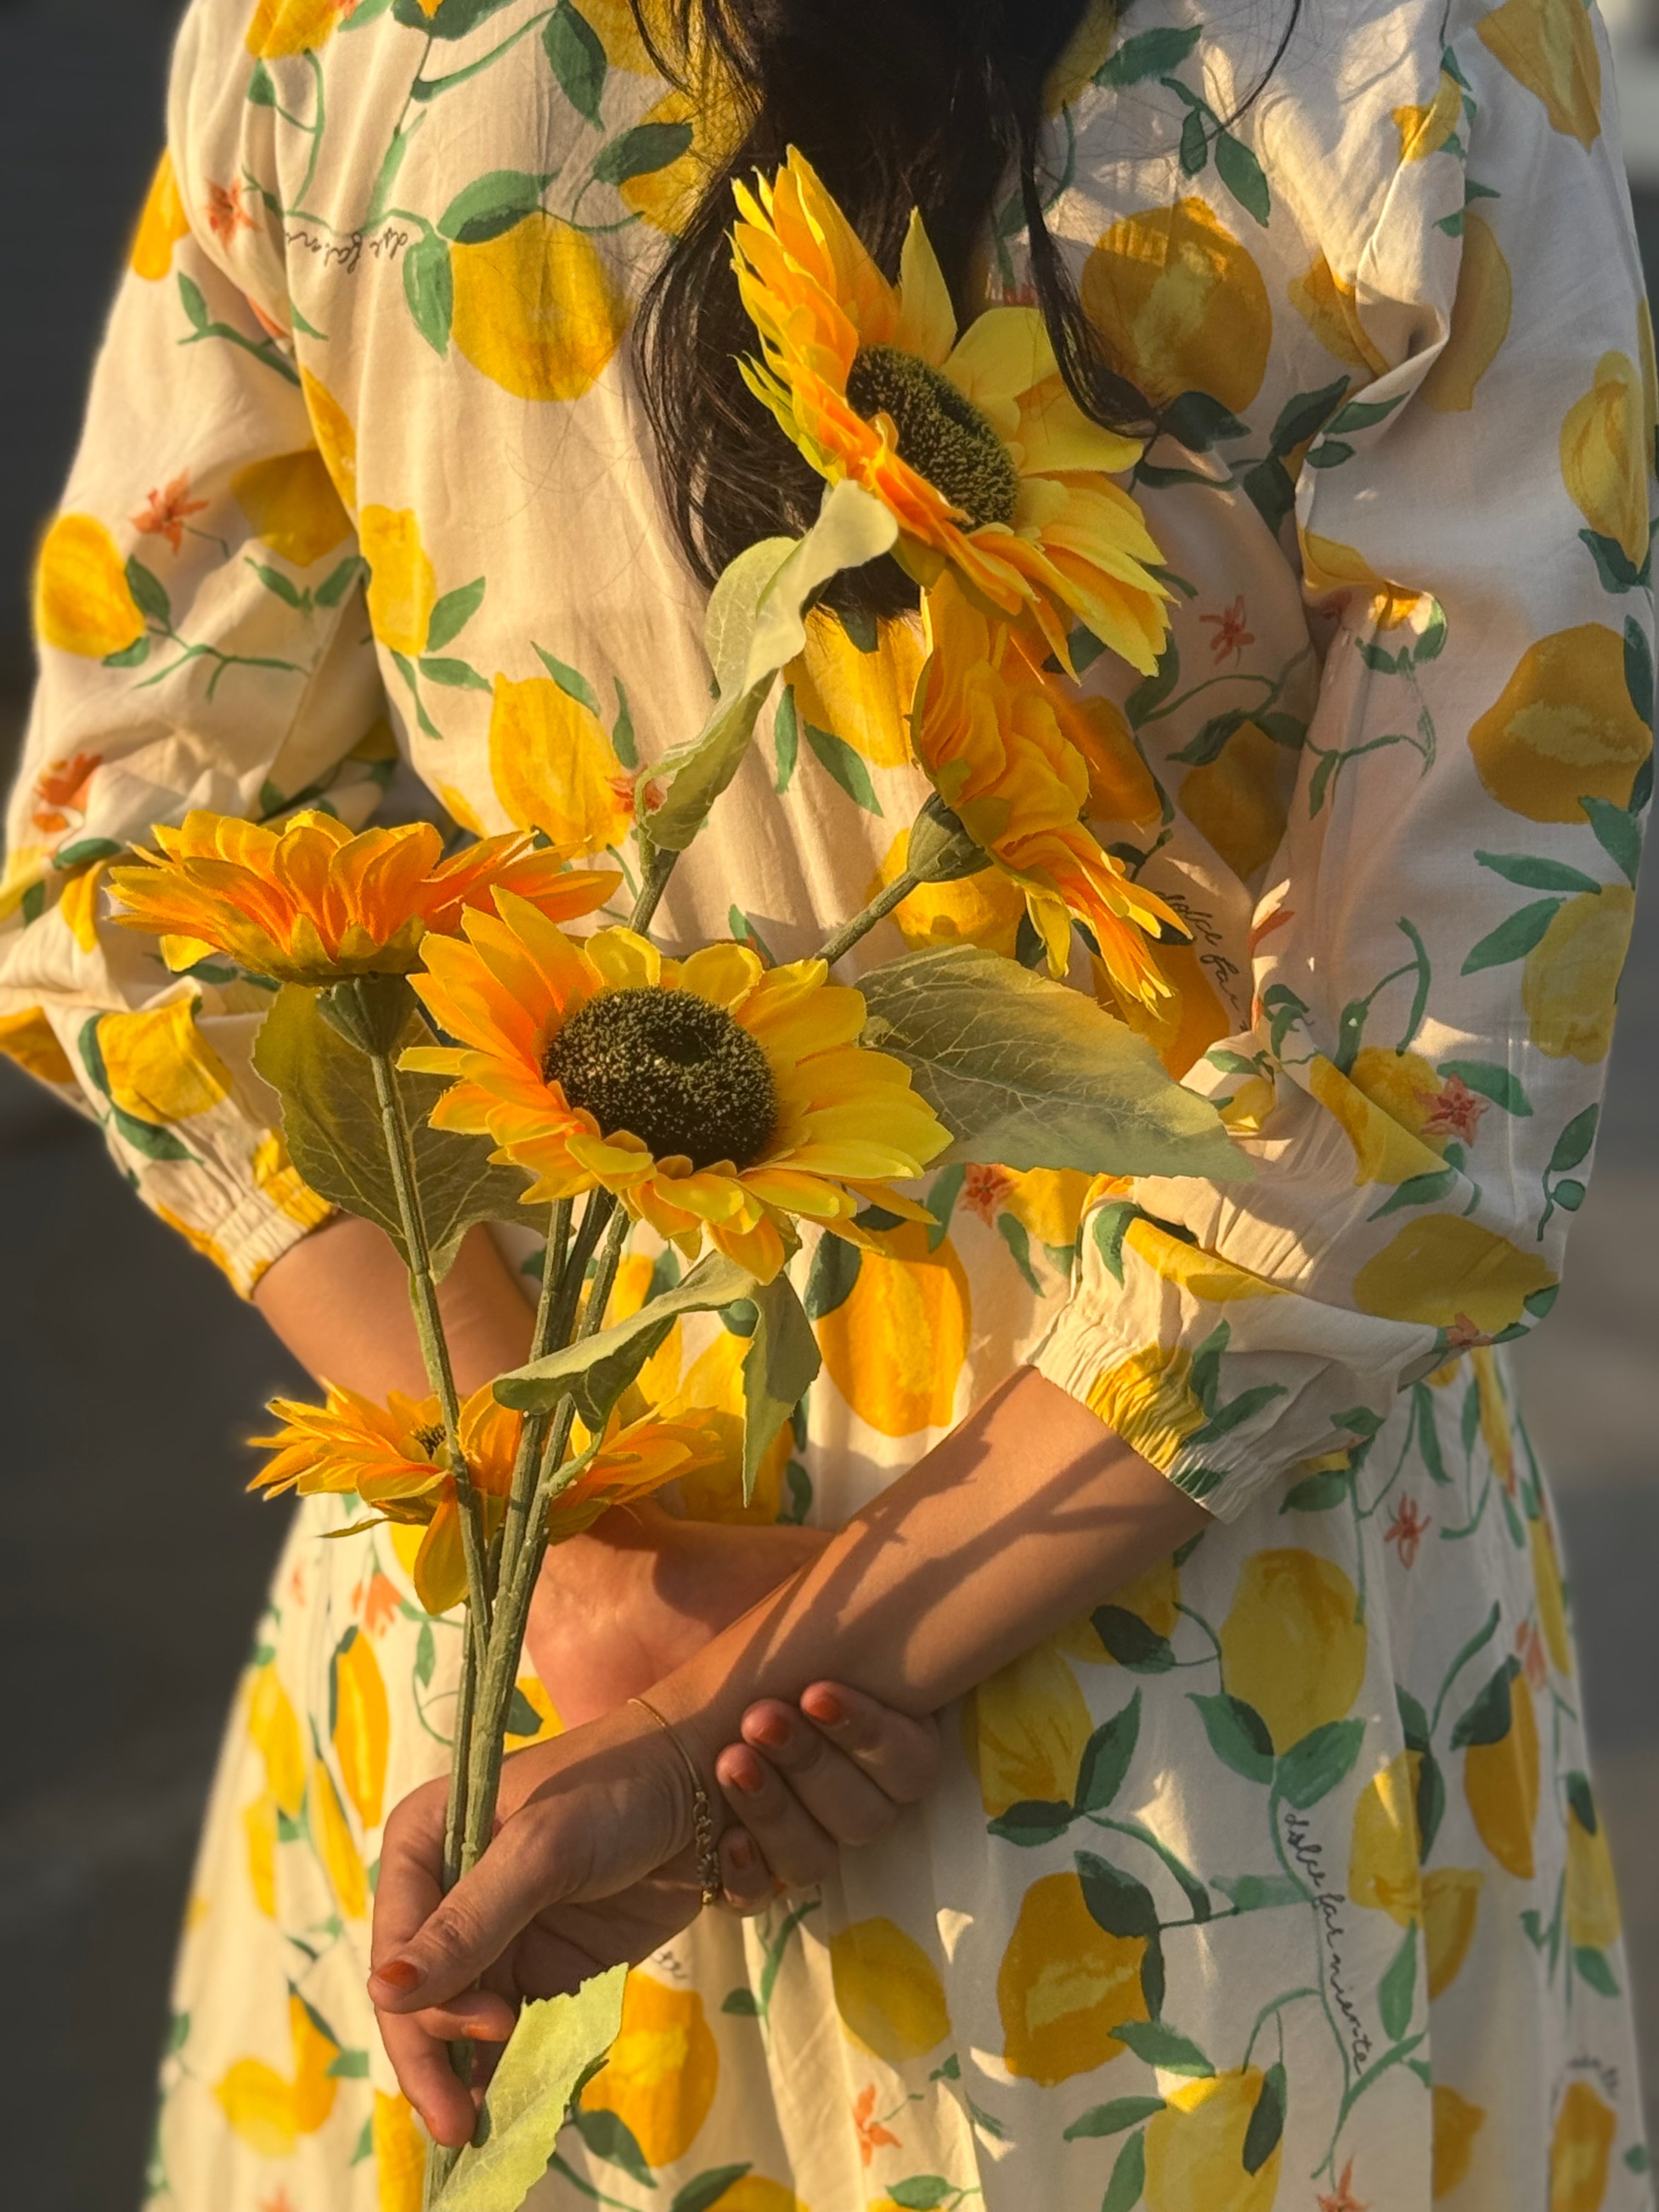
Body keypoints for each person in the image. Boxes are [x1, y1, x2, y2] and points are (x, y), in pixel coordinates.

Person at [2, 0, 1651, 2204]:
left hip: (496, 1720)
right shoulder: (1405, 53)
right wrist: (737, 1686)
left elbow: (137, 873)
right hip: (1187, 1726)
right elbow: (1432, 1071)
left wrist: (566, 1557)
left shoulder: (339, 32)